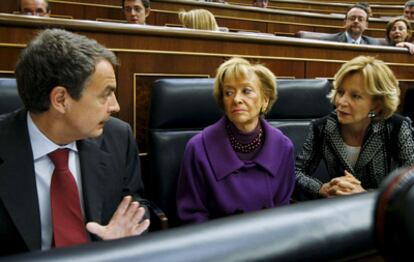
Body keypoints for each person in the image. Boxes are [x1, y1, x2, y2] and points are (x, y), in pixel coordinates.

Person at [0, 29, 150, 256]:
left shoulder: (118, 137)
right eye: (105, 94)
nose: (115, 106)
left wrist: (121, 239)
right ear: (61, 99)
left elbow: (136, 204)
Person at [176, 57, 295, 224]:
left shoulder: (283, 147)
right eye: (228, 92)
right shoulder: (198, 148)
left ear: (265, 100)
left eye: (246, 91)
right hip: (219, 244)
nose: (236, 99)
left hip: (269, 241)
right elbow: (192, 215)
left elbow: (283, 211)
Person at [295, 55, 414, 199]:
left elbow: (411, 184)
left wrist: (365, 195)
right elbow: (295, 172)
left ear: (376, 105)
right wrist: (321, 188)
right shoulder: (322, 127)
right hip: (339, 210)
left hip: (383, 214)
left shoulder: (397, 127)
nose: (341, 102)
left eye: (355, 96)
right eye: (340, 92)